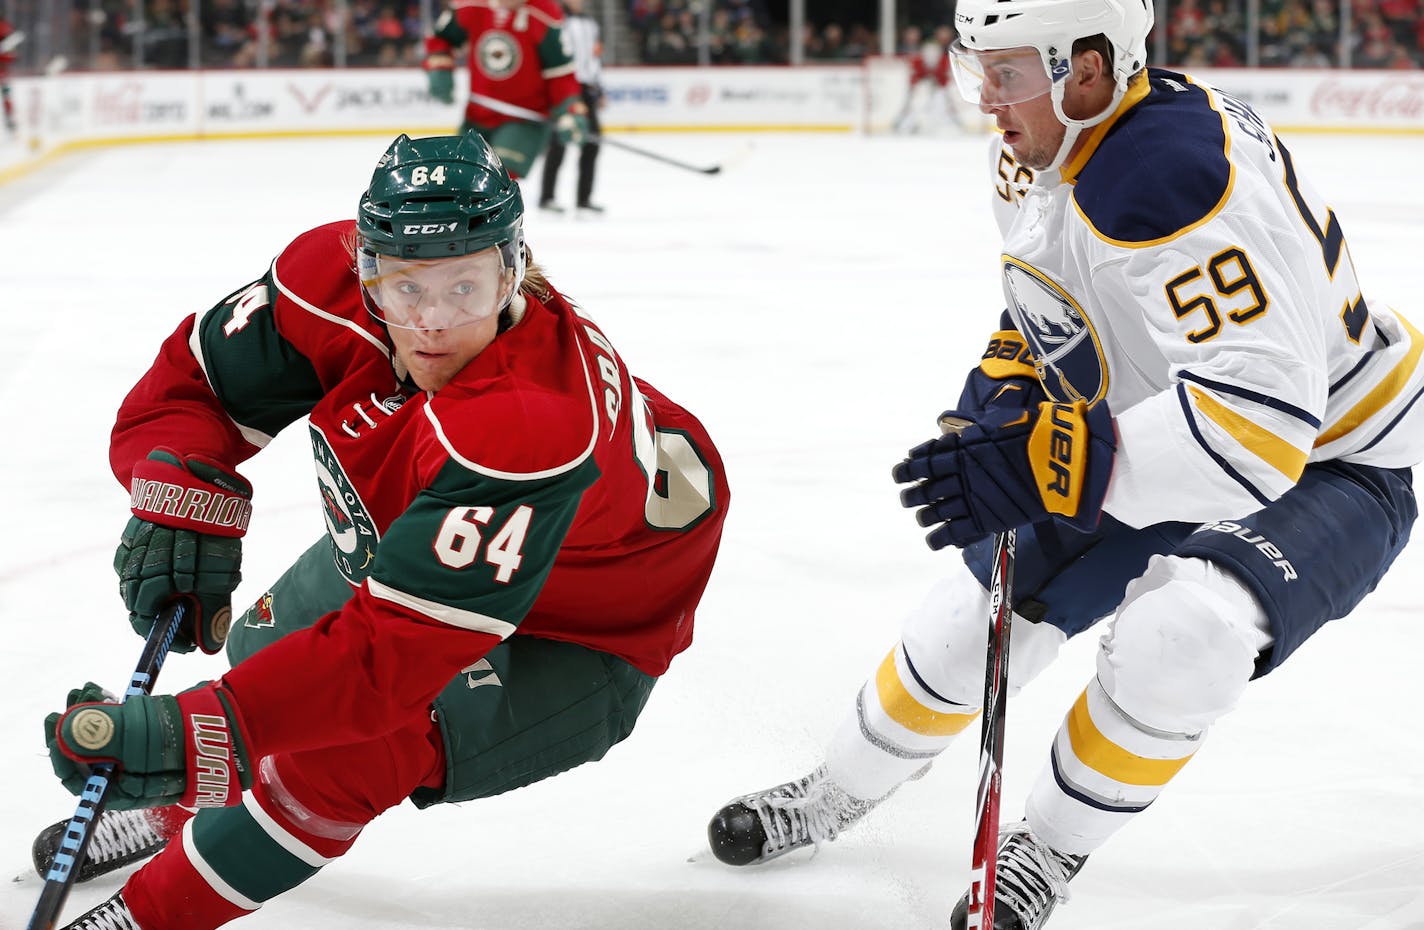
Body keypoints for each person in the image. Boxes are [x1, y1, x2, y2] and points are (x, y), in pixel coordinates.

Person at [705, 0, 1423, 926]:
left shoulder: (1170, 177)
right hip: (1171, 422)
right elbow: (1061, 302)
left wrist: (1047, 467)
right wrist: (1004, 395)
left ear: (1086, 69)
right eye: (979, 69)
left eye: (1006, 74)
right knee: (973, 622)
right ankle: (836, 790)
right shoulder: (1047, 144)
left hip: (1338, 453)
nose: (986, 100)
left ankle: (1045, 849)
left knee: (1186, 635)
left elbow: (1261, 431)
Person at [40, 130, 729, 930]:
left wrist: (189, 732)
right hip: (435, 534)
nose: (433, 323)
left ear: (513, 269)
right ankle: (178, 814)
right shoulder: (325, 284)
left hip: (587, 624)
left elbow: (385, 661)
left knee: (348, 752)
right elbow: (190, 390)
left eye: (465, 288)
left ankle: (147, 917)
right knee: (266, 658)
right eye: (405, 288)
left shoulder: (528, 424)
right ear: (363, 266)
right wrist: (183, 497)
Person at [422, 0, 591, 180]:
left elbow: (560, 73)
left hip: (524, 120)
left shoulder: (544, 12)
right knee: (460, 181)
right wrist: (439, 64)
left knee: (494, 180)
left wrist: (570, 110)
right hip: (476, 117)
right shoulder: (472, 5)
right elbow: (441, 37)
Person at [537, 0, 604, 215]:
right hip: (565, 89)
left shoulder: (590, 23)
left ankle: (583, 199)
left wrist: (598, 87)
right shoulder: (557, 21)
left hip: (585, 89)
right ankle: (547, 197)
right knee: (559, 143)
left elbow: (594, 59)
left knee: (593, 142)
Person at [0, 18, 22, 134]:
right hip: (3, 73)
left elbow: (12, 55)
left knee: (6, 95)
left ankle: (9, 120)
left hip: (2, 74)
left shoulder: (5, 27)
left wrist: (7, 55)